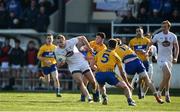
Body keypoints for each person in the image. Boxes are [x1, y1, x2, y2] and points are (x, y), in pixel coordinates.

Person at [115, 38, 164, 104]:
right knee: (148, 81)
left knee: (127, 84)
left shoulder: (115, 50)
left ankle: (130, 100)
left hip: (129, 63)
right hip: (137, 61)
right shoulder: (125, 46)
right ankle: (157, 98)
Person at [91, 39, 135, 106]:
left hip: (99, 74)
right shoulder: (115, 55)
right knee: (125, 87)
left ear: (108, 45)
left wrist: (97, 70)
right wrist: (128, 84)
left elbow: (91, 65)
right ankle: (130, 101)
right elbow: (122, 72)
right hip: (109, 74)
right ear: (116, 46)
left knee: (101, 85)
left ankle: (104, 97)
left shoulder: (100, 52)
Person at [54, 34, 97, 103]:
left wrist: (89, 48)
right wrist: (61, 62)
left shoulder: (70, 42)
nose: (59, 44)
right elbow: (59, 64)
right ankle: (89, 98)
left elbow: (83, 37)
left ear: (65, 41)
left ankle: (94, 92)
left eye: (61, 42)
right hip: (73, 66)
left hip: (82, 62)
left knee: (93, 82)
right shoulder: (57, 50)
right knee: (79, 82)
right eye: (58, 42)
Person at [151, 20, 179, 103]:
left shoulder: (173, 36)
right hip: (161, 59)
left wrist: (175, 57)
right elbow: (150, 43)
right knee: (168, 74)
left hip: (169, 58)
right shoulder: (158, 36)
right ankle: (159, 92)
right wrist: (147, 50)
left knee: (167, 77)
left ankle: (167, 94)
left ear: (168, 27)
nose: (163, 28)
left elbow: (177, 47)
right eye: (162, 26)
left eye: (165, 27)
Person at [81, 32, 107, 102]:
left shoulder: (103, 48)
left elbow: (98, 58)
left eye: (98, 38)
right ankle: (83, 96)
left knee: (95, 82)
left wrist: (88, 58)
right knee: (84, 80)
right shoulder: (92, 43)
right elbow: (84, 47)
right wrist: (82, 48)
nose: (96, 39)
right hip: (87, 65)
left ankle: (96, 96)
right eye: (96, 37)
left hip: (95, 66)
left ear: (102, 39)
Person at [129, 27, 151, 99]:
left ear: (142, 32)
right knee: (132, 78)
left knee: (144, 78)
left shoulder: (147, 40)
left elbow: (150, 52)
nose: (138, 32)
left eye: (139, 31)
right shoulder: (132, 41)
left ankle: (138, 86)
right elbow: (129, 51)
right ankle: (134, 92)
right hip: (136, 61)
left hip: (145, 61)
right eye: (137, 31)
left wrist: (145, 52)